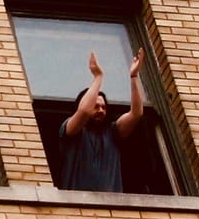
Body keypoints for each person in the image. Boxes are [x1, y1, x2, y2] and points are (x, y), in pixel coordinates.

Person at [56, 50, 144, 192]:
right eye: (96, 106)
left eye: (104, 107)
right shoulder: (71, 130)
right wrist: (98, 77)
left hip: (111, 210)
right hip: (76, 206)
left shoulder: (112, 133)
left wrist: (134, 77)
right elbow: (84, 111)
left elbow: (136, 113)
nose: (101, 110)